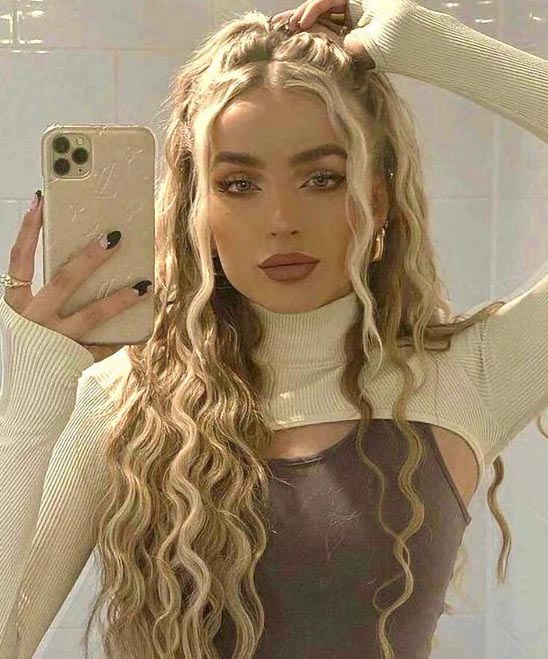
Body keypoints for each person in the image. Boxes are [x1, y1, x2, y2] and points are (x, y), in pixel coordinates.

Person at [1, 0, 548, 657]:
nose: (282, 220)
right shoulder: (124, 399)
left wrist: (420, 38)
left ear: (376, 201)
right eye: (239, 184)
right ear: (197, 210)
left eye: (322, 178)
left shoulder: (467, 377)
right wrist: (32, 398)